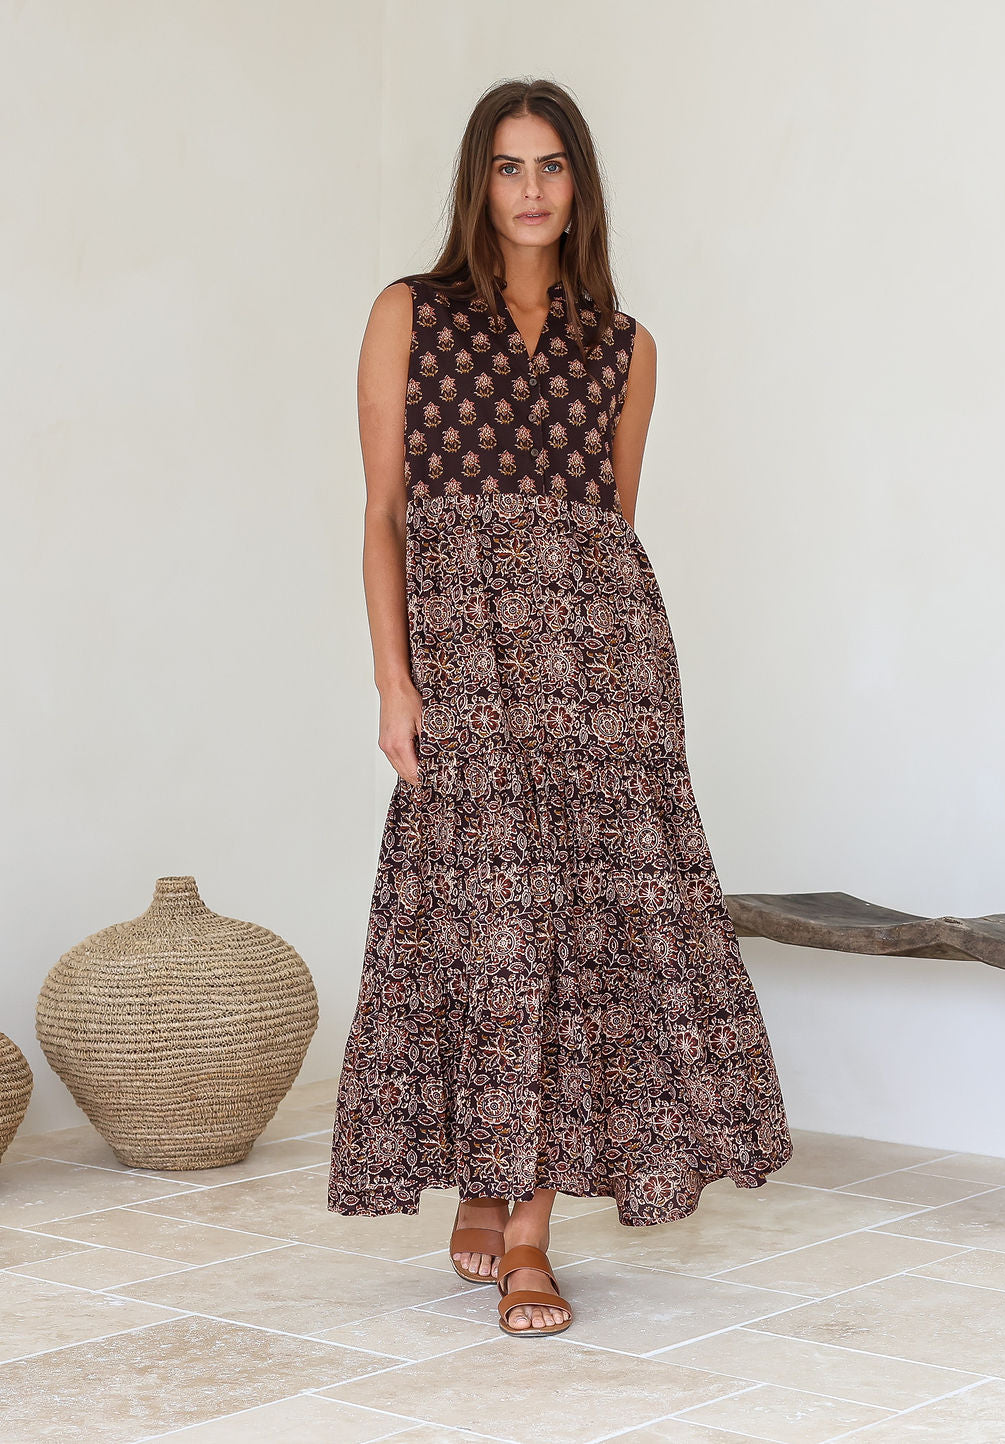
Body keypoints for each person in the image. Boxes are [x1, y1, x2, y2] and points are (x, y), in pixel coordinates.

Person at [327, 77, 794, 1336]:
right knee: (482, 928)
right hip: (464, 669)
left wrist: (608, 691)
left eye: (551, 167)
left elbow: (606, 530)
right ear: (477, 183)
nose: (529, 189)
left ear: (578, 185)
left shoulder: (626, 346)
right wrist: (395, 677)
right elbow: (382, 513)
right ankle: (483, 1184)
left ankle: (525, 1234)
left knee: (569, 942)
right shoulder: (407, 314)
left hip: (603, 677)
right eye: (505, 166)